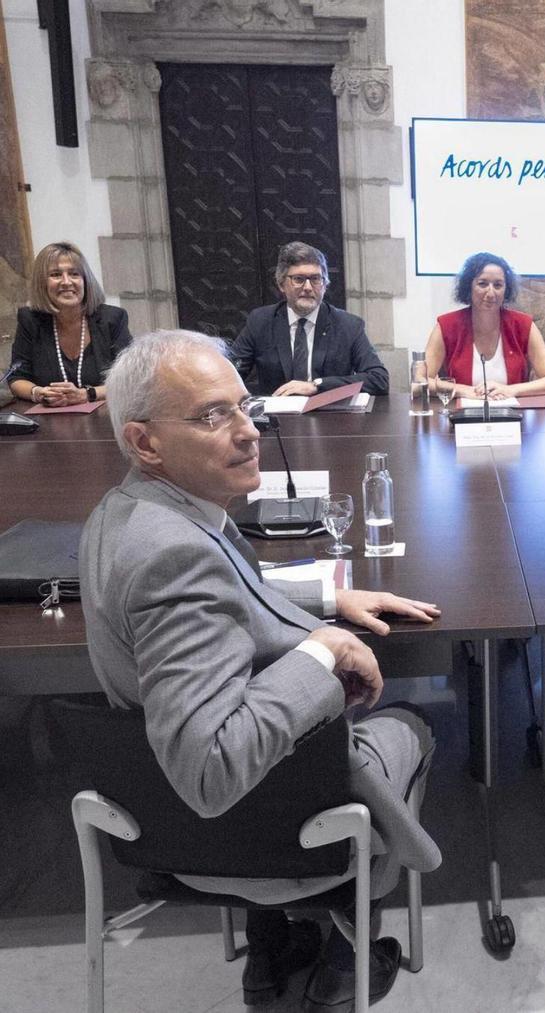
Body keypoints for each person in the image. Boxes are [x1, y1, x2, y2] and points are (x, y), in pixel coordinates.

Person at [80, 330, 439, 1011]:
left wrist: (330, 597)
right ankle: (347, 952)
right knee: (415, 725)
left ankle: (269, 947)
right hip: (249, 821)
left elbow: (223, 595)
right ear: (146, 440)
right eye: (214, 415)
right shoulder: (173, 558)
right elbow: (210, 767)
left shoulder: (127, 513)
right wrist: (322, 649)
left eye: (245, 408)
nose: (248, 433)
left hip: (160, 807)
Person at [230, 241, 389, 397]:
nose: (307, 287)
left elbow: (379, 379)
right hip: (277, 418)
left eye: (315, 279)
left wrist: (318, 386)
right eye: (298, 279)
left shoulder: (348, 325)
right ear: (281, 284)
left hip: (332, 419)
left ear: (325, 285)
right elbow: (230, 373)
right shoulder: (261, 322)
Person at [423, 251, 545, 398]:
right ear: (468, 287)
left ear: (506, 289)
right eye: (482, 284)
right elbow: (418, 383)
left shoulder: (523, 325)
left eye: (498, 285)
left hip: (513, 416)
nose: (491, 293)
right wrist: (461, 390)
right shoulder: (447, 325)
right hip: (461, 416)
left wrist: (512, 390)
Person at [6, 241, 132, 405]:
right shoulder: (30, 320)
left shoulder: (113, 319)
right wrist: (38, 392)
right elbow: (17, 377)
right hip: (48, 423)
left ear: (85, 280)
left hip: (105, 421)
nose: (66, 282)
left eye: (74, 274)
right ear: (42, 283)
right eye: (56, 275)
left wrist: (86, 395)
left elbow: (130, 379)